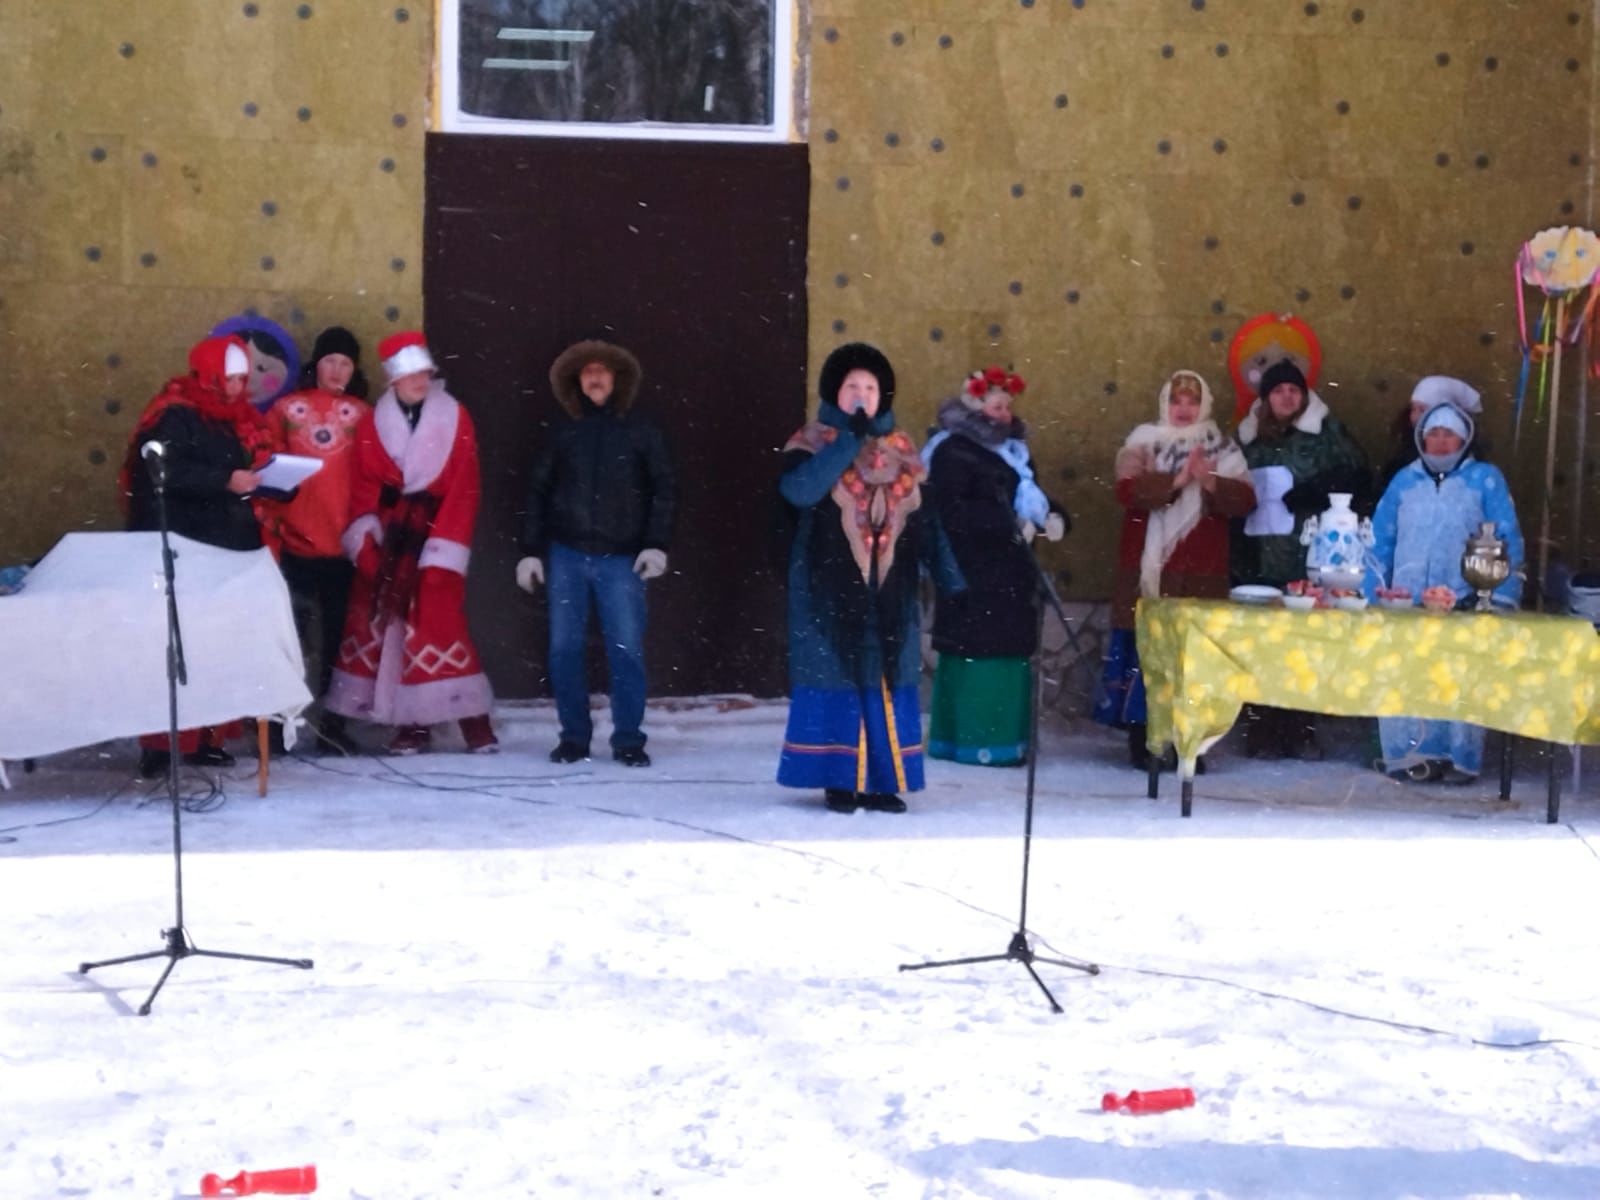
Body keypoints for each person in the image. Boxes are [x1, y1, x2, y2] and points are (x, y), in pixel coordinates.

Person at [777, 342, 963, 813]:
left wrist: (950, 578)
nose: (862, 395)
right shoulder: (810, 442)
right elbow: (800, 491)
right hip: (826, 589)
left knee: (887, 679)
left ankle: (883, 781)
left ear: (883, 396)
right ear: (834, 394)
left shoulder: (902, 450)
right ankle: (838, 779)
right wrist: (847, 443)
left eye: (870, 388)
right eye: (852, 387)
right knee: (836, 676)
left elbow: (927, 517)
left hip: (891, 589)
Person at [323, 331, 498, 754]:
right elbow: (362, 485)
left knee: (440, 624)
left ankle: (473, 718)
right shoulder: (371, 424)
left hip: (435, 530)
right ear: (394, 380)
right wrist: (365, 536)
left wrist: (446, 548)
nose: (420, 381)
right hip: (390, 536)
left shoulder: (455, 417)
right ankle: (410, 723)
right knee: (387, 627)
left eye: (425, 373)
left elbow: (464, 488)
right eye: (412, 375)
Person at [121, 333, 278, 778]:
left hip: (226, 549)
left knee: (219, 647)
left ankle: (206, 737)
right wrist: (224, 481)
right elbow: (161, 473)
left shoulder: (240, 418)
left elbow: (249, 465)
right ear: (208, 375)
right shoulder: (174, 414)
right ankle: (160, 744)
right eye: (228, 378)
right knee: (173, 650)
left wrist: (273, 480)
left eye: (242, 378)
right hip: (183, 550)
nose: (236, 387)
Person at [516, 338, 676, 767]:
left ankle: (628, 740)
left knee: (626, 650)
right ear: (577, 382)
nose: (595, 378)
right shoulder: (563, 432)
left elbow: (664, 489)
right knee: (564, 651)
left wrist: (655, 545)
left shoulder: (641, 431)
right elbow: (538, 491)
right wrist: (531, 551)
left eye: (602, 371)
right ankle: (574, 737)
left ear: (617, 379)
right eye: (587, 372)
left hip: (622, 560)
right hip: (566, 555)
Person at [1095, 369, 1255, 770]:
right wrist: (1178, 479)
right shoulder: (1141, 441)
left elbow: (1246, 500)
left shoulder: (1223, 447)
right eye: (1177, 401)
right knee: (1145, 657)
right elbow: (1126, 488)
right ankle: (1144, 744)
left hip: (1198, 570)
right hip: (1148, 572)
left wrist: (1211, 481)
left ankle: (1189, 747)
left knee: (1192, 661)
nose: (1184, 409)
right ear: (1165, 402)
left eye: (1192, 401)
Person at [1368, 396, 1523, 783]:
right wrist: (1376, 593)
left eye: (1449, 434)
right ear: (1421, 438)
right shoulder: (1403, 480)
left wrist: (1496, 597)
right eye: (1433, 433)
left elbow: (1507, 539)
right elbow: (1378, 540)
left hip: (1464, 600)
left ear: (1464, 439)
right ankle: (1408, 758)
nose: (1440, 441)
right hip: (1408, 601)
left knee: (1459, 674)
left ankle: (1459, 759)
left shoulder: (1486, 478)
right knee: (1406, 673)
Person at [922, 365, 1067, 766]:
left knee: (1006, 654)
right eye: (996, 405)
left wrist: (1053, 517)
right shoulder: (954, 450)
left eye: (1007, 406)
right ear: (975, 406)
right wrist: (1008, 525)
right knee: (978, 654)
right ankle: (974, 744)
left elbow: (1026, 495)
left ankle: (1006, 741)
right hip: (973, 573)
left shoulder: (1013, 452)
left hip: (1010, 573)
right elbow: (953, 511)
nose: (1004, 413)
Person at [1234, 358, 1372, 759]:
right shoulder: (1247, 438)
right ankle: (1261, 731)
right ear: (1266, 399)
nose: (1287, 397)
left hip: (1305, 557)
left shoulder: (1325, 433)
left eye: (1294, 390)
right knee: (1260, 645)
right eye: (1278, 391)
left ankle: (1301, 731)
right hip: (1258, 559)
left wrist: (1318, 491)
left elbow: (1359, 476)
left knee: (1304, 647)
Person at [259, 326, 371, 753]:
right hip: (293, 546)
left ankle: (332, 726)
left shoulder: (364, 415)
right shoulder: (288, 409)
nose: (337, 369)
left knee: (339, 644)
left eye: (346, 362)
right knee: (287, 641)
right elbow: (265, 464)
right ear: (316, 364)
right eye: (330, 360)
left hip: (344, 549)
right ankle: (275, 728)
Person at [1378, 375, 1485, 490]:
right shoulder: (1403, 462)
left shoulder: (1476, 472)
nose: (1415, 416)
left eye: (1422, 409)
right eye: (1413, 409)